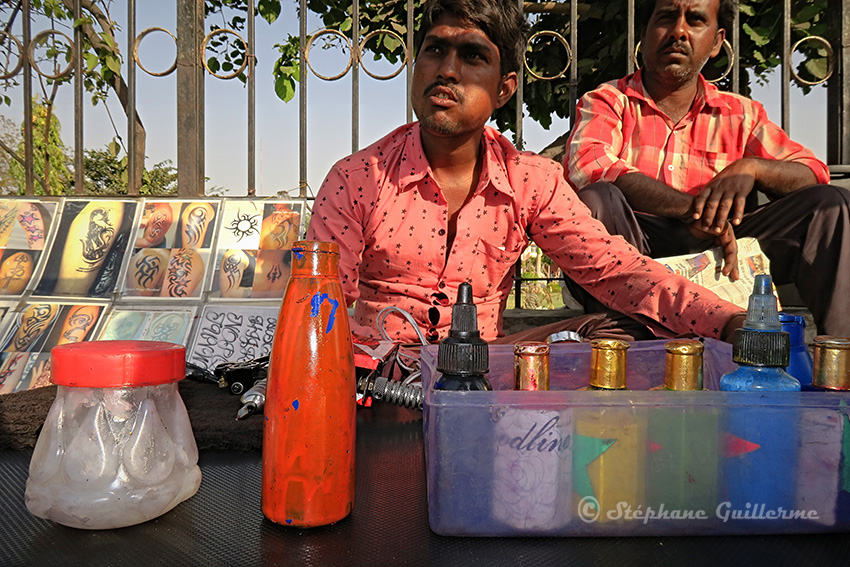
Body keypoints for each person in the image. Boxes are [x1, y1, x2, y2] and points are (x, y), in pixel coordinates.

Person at [307, 0, 746, 344]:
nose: (447, 70)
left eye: (472, 55)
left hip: (481, 371)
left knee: (627, 335)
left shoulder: (529, 180)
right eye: (435, 49)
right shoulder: (357, 177)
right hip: (375, 372)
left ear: (504, 88)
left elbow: (618, 270)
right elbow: (317, 311)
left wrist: (727, 321)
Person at [564, 0, 850, 336]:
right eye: (666, 18)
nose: (679, 32)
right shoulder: (609, 100)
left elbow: (813, 171)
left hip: (721, 252)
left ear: (716, 42)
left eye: (696, 20)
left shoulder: (741, 113)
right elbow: (589, 166)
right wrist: (691, 210)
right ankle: (623, 342)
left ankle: (840, 364)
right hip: (637, 253)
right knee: (598, 198)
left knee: (830, 206)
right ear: (645, 33)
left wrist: (753, 169)